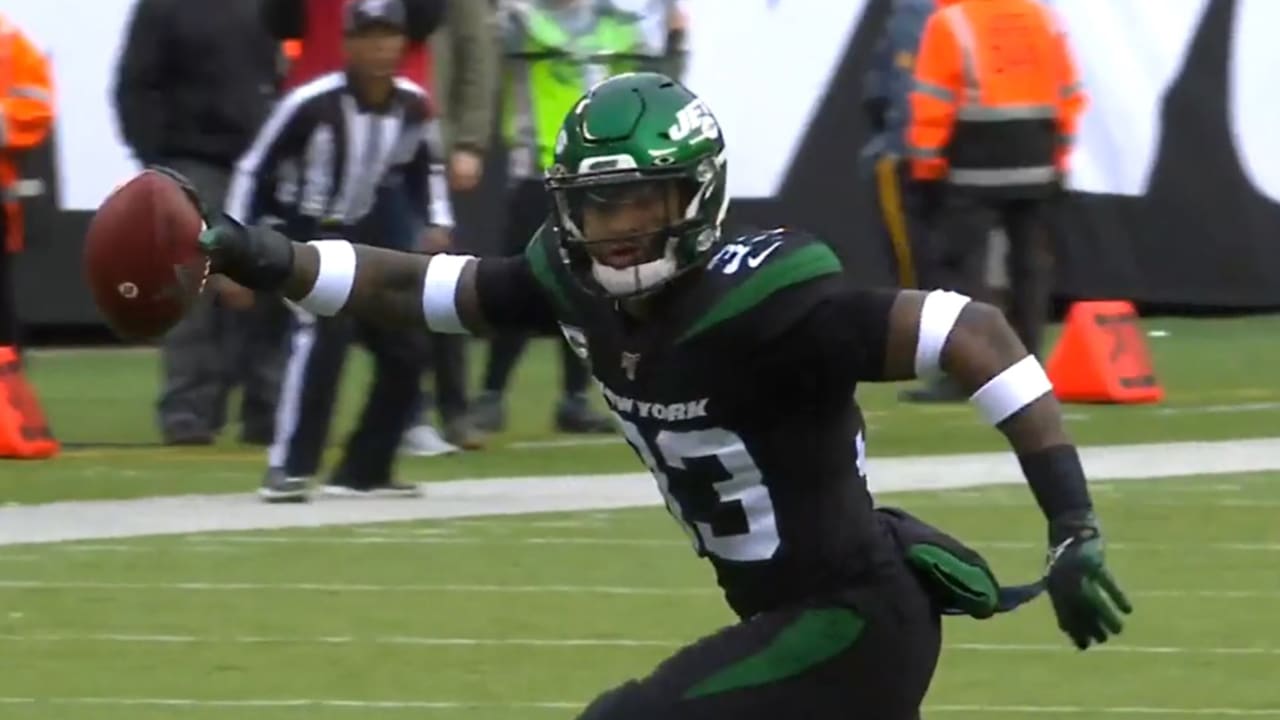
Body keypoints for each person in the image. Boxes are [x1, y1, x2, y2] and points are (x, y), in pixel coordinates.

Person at [173, 72, 1131, 717]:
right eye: (597, 205)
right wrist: (268, 255)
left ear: (696, 199)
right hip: (805, 613)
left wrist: (1073, 522)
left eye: (641, 203)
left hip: (850, 620)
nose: (618, 230)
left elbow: (978, 334)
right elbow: (417, 289)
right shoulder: (570, 283)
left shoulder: (769, 303)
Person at [224, 0, 453, 501]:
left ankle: (364, 470)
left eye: (389, 35)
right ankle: (287, 466)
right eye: (369, 36)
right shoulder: (311, 103)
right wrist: (232, 253)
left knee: (408, 348)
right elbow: (253, 169)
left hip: (359, 241)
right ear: (347, 44)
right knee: (322, 334)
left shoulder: (412, 105)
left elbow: (425, 168)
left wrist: (438, 222)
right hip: (300, 237)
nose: (380, 47)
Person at [468, 0, 687, 435]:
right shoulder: (519, 20)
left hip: (600, 175)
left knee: (590, 288)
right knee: (518, 283)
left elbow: (658, 84)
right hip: (537, 171)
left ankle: (573, 400)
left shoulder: (617, 25)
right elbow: (476, 50)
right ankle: (490, 396)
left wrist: (677, 35)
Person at [114, 0, 290, 445]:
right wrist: (159, 157)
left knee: (270, 279)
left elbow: (281, 72)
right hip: (193, 161)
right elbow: (135, 86)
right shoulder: (163, 7)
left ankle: (267, 407)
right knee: (191, 287)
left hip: (261, 160)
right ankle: (188, 409)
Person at [901, 0, 1085, 402]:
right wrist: (1060, 154)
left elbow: (932, 102)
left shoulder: (950, 22)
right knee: (1031, 267)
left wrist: (926, 165)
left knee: (963, 268)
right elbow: (1069, 91)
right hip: (1036, 160)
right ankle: (1028, 367)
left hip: (973, 165)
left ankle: (975, 370)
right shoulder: (1040, 17)